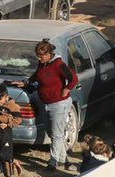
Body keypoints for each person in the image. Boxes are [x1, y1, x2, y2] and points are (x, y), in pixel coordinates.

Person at [29, 38, 80, 169]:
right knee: (51, 132)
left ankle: (53, 161)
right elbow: (37, 75)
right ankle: (65, 161)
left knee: (57, 133)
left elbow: (74, 79)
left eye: (41, 56)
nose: (39, 58)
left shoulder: (58, 64)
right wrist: (27, 82)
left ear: (48, 54)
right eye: (38, 56)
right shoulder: (42, 64)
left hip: (59, 104)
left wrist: (66, 89)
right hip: (45, 102)